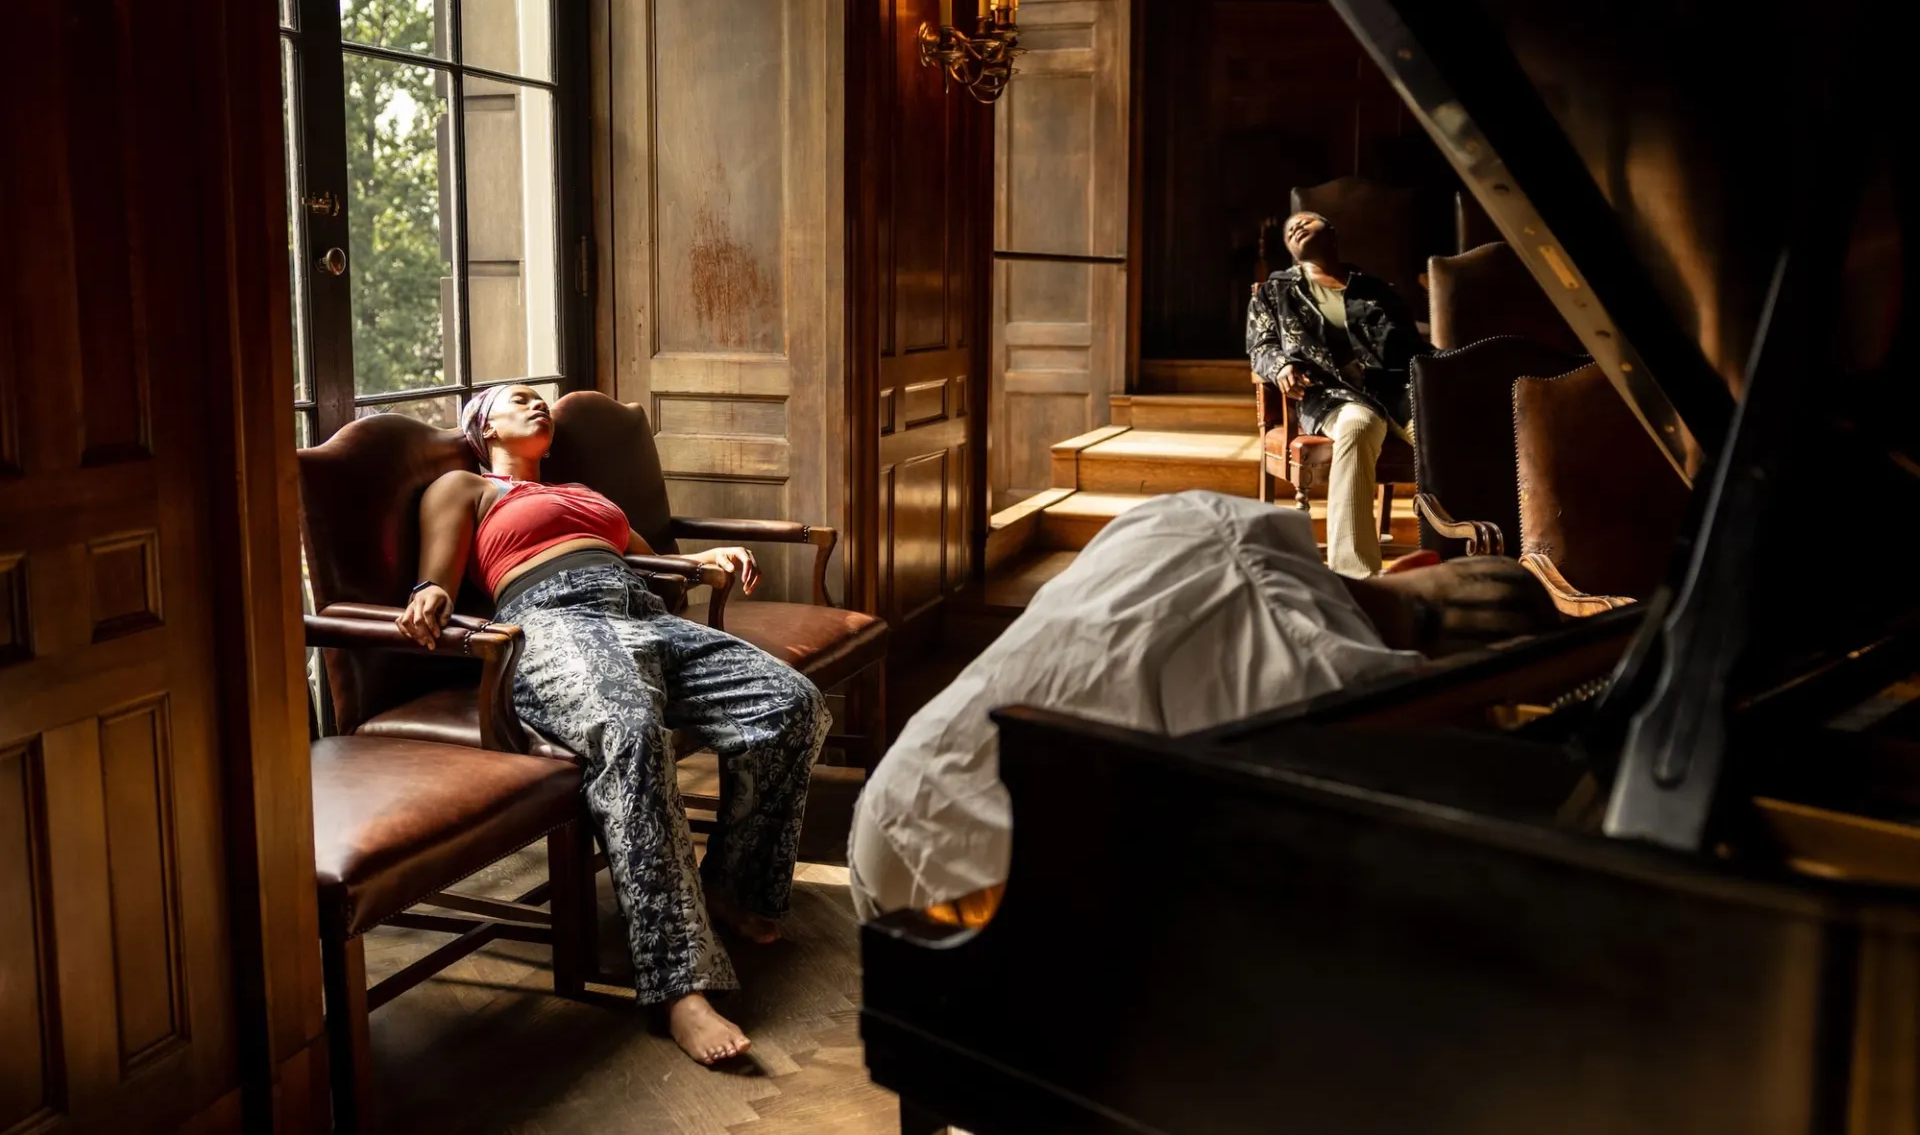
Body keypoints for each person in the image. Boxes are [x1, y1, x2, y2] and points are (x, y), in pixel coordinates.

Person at [846, 490, 1558, 921]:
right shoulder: (1342, 700)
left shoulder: (1202, 516)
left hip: (897, 797)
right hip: (982, 884)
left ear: (1416, 564)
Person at [395, 384, 830, 1066]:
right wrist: (430, 595)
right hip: (551, 621)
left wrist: (703, 562)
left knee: (788, 703)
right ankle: (676, 986)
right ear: (483, 426)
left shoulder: (586, 496)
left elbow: (654, 561)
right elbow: (438, 574)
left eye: (540, 398)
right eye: (518, 400)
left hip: (643, 615)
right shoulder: (467, 486)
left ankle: (731, 884)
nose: (538, 404)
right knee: (629, 735)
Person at [1247, 210, 1430, 577]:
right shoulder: (1278, 290)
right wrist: (1281, 366)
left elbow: (1413, 347)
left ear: (1331, 233)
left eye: (1306, 221)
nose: (1295, 226)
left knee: (1441, 436)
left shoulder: (1376, 290)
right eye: (1289, 230)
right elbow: (1260, 345)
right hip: (1330, 394)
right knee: (1359, 426)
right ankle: (1355, 574)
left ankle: (1460, 553)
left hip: (1395, 388)